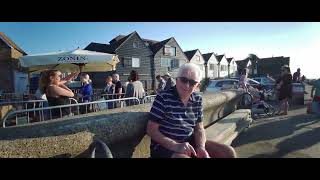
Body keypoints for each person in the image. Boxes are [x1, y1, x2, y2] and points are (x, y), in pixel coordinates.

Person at [146, 63, 237, 158]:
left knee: (228, 152)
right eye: (184, 80)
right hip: (163, 147)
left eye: (192, 82)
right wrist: (175, 146)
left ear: (197, 85)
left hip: (189, 142)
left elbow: (199, 129)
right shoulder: (163, 97)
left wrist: (201, 147)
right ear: (177, 80)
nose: (187, 85)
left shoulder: (197, 99)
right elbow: (151, 130)